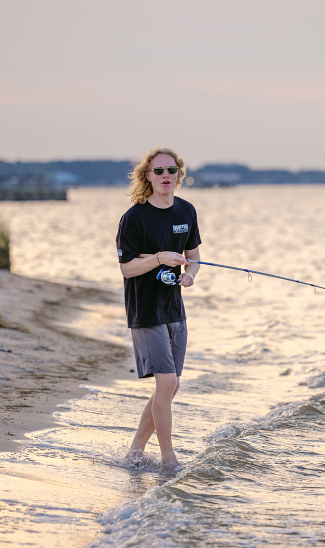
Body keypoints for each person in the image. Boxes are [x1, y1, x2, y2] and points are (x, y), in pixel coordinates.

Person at [115, 147, 201, 468]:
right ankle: (168, 459)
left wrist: (190, 274)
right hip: (146, 309)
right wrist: (159, 258)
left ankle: (136, 451)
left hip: (174, 308)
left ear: (179, 174)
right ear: (147, 176)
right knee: (166, 383)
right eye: (159, 171)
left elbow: (194, 257)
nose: (166, 176)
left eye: (171, 170)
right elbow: (126, 269)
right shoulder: (134, 218)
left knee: (170, 386)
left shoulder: (186, 211)